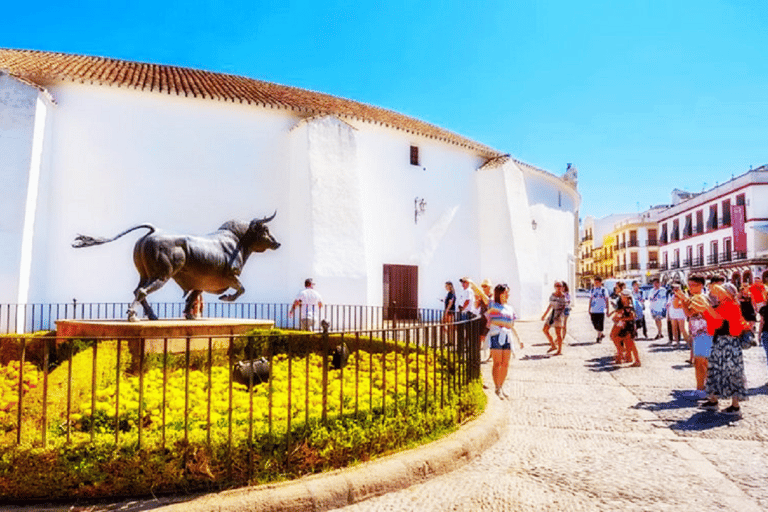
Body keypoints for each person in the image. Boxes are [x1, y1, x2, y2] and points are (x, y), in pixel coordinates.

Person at [695, 283, 749, 416]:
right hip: (720, 341)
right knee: (714, 370)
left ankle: (735, 406)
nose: (716, 294)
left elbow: (718, 319)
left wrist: (706, 306)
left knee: (732, 373)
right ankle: (713, 400)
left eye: (720, 292)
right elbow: (711, 318)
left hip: (728, 343)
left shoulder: (732, 304)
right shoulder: (723, 304)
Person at [484, 283, 522, 398]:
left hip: (507, 337)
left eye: (508, 292)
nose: (508, 294)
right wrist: (471, 282)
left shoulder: (510, 308)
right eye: (505, 292)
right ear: (499, 294)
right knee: (497, 362)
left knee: (505, 363)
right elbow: (482, 295)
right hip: (496, 335)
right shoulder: (493, 305)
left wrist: (519, 339)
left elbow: (511, 325)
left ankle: (501, 386)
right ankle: (497, 387)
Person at [676, 275, 711, 399]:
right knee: (699, 362)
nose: (690, 288)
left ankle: (702, 389)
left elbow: (691, 312)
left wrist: (684, 300)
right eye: (689, 285)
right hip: (698, 333)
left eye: (693, 285)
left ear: (701, 285)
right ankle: (703, 387)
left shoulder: (701, 297)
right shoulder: (693, 297)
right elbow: (684, 311)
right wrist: (682, 299)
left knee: (701, 362)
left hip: (704, 333)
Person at [610, 289, 639, 366]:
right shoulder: (623, 302)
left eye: (623, 296)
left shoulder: (629, 304)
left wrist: (620, 318)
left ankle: (626, 357)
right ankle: (626, 356)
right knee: (619, 338)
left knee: (629, 342)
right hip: (624, 323)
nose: (621, 297)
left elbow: (632, 316)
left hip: (628, 325)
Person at [541, 281, 568, 355]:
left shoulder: (563, 297)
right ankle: (553, 345)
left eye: (560, 286)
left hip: (559, 315)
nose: (558, 287)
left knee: (558, 333)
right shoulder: (552, 295)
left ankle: (559, 350)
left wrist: (562, 318)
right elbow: (550, 305)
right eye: (557, 286)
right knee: (545, 329)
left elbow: (564, 308)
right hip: (553, 313)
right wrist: (544, 315)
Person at [666, 282, 689, 348]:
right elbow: (668, 305)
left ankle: (688, 343)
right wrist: (668, 315)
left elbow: (686, 302)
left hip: (681, 313)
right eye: (675, 288)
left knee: (682, 328)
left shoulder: (684, 294)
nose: (676, 290)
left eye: (678, 288)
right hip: (673, 313)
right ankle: (677, 343)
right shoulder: (671, 295)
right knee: (674, 328)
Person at [589, 277, 611, 343]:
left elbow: (607, 300)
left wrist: (607, 310)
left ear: (600, 282)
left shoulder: (604, 290)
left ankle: (598, 337)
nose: (596, 284)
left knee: (600, 324)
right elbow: (590, 299)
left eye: (597, 282)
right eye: (595, 282)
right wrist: (589, 308)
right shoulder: (592, 290)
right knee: (595, 324)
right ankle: (601, 334)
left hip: (601, 310)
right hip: (594, 309)